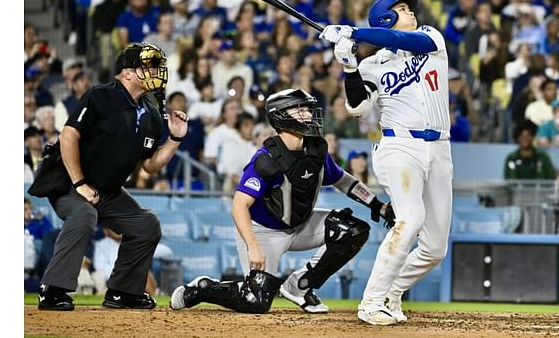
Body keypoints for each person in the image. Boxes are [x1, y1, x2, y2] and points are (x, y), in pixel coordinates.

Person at [169, 88, 395, 314]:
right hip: (263, 232)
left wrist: (377, 205)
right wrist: (253, 247)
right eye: (301, 109)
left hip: (301, 224)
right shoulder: (266, 159)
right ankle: (203, 288)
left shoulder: (316, 149)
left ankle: (300, 286)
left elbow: (343, 180)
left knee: (353, 231)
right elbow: (239, 205)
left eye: (308, 109)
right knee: (255, 301)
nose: (308, 114)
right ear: (281, 116)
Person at [318, 0, 454, 325]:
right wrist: (350, 66)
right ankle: (371, 302)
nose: (411, 12)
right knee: (410, 219)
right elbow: (357, 108)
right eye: (403, 9)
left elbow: (400, 39)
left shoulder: (429, 37)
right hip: (399, 148)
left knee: (435, 249)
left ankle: (392, 295)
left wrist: (354, 32)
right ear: (386, 17)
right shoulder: (372, 65)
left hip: (440, 149)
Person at [35, 42, 189, 311]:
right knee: (84, 215)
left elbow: (150, 166)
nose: (156, 71)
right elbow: (69, 135)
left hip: (106, 189)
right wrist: (80, 183)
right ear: (127, 72)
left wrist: (175, 139)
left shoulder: (151, 110)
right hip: (68, 181)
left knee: (146, 224)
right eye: (148, 66)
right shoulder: (100, 96)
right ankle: (53, 290)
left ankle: (122, 292)